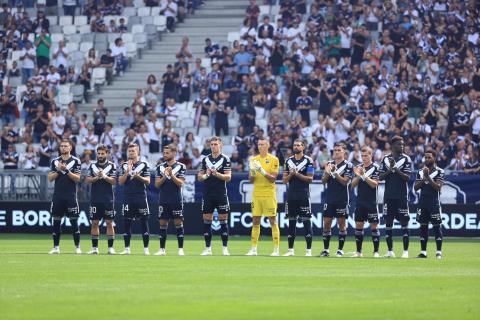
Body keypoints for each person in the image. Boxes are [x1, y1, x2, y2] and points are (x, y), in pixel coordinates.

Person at [197, 136, 232, 256]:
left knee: (223, 221)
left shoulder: (225, 159)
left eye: (215, 144)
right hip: (208, 194)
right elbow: (200, 177)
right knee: (207, 221)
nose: (213, 146)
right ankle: (208, 248)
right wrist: (206, 175)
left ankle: (225, 248)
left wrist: (216, 174)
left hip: (221, 194)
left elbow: (228, 177)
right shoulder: (205, 159)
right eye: (211, 144)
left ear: (220, 145)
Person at [379, 136, 412, 258]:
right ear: (392, 146)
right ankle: (390, 251)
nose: (402, 146)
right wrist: (390, 169)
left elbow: (407, 178)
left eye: (403, 144)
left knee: (404, 223)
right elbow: (380, 177)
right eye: (399, 144)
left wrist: (395, 168)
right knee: (388, 223)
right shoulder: (385, 159)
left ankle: (405, 252)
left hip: (401, 196)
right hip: (388, 197)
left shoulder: (406, 159)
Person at [246, 137, 280, 256]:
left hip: (269, 194)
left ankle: (276, 249)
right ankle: (253, 249)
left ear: (268, 145)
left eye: (263, 144)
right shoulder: (253, 159)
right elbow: (251, 180)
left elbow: (273, 179)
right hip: (257, 194)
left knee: (273, 220)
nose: (260, 146)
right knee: (255, 221)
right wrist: (253, 170)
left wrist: (261, 170)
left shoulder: (274, 159)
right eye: (259, 144)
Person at [47, 139, 82, 254]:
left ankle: (77, 247)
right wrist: (58, 170)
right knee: (56, 222)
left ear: (70, 148)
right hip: (58, 196)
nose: (63, 148)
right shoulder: (55, 161)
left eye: (66, 146)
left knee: (74, 223)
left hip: (70, 196)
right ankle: (56, 247)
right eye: (61, 146)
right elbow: (50, 178)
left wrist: (66, 170)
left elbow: (77, 178)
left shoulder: (76, 161)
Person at [282, 139, 314, 257]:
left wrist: (297, 174)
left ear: (303, 147)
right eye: (295, 145)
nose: (296, 147)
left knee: (306, 221)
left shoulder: (308, 161)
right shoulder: (288, 161)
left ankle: (308, 251)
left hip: (303, 194)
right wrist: (291, 174)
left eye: (298, 145)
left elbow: (310, 179)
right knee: (291, 221)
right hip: (291, 194)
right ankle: (290, 250)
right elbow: (284, 180)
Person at [320, 142, 353, 257]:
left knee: (341, 224)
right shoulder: (329, 164)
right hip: (329, 198)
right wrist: (327, 173)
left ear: (344, 151)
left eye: (339, 150)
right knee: (326, 223)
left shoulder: (348, 165)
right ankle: (326, 250)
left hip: (342, 199)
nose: (336, 152)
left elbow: (345, 182)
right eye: (335, 150)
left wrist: (335, 173)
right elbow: (323, 181)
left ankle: (340, 250)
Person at [118, 144, 151, 255]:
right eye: (129, 151)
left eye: (133, 151)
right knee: (127, 222)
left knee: (144, 222)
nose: (131, 153)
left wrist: (138, 176)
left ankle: (146, 249)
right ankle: (127, 249)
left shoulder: (144, 165)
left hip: (141, 196)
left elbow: (148, 181)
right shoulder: (124, 165)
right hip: (128, 197)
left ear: (138, 152)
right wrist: (127, 171)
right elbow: (120, 182)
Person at [154, 144, 187, 256]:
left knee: (178, 223)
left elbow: (181, 183)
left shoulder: (181, 166)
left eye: (167, 153)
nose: (165, 155)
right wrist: (164, 175)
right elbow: (157, 184)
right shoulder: (160, 167)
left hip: (176, 199)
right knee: (162, 224)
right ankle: (162, 249)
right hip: (163, 199)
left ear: (174, 153)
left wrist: (172, 175)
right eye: (164, 153)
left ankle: (180, 249)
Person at [85, 145, 117, 255]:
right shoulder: (92, 166)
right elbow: (88, 180)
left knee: (109, 222)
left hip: (108, 199)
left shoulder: (112, 166)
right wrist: (97, 177)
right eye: (98, 153)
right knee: (94, 223)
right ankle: (95, 248)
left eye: (102, 153)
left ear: (106, 154)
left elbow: (114, 181)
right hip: (95, 198)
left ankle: (110, 248)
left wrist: (104, 176)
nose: (100, 155)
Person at [350, 146, 381, 258]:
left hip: (372, 202)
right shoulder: (358, 167)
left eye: (366, 155)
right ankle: (359, 252)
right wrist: (358, 176)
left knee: (374, 226)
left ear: (370, 155)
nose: (363, 158)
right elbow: (352, 185)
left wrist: (364, 175)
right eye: (362, 156)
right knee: (358, 225)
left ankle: (376, 252)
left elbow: (374, 184)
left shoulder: (376, 168)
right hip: (360, 201)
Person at [414, 150, 444, 259]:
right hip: (422, 203)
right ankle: (423, 252)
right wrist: (424, 178)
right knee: (423, 227)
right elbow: (416, 188)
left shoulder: (440, 171)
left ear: (434, 158)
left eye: (429, 157)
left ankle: (439, 252)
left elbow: (438, 187)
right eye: (425, 158)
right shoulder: (420, 171)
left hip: (434, 203)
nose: (427, 159)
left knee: (437, 227)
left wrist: (428, 177)